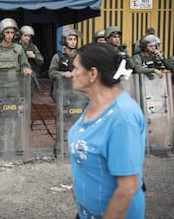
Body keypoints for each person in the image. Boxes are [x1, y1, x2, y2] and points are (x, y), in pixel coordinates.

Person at [68, 42, 146, 218]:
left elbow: (127, 188)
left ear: (93, 74)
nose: (72, 74)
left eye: (76, 68)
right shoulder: (95, 104)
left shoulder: (122, 118)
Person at [0, 18, 32, 156]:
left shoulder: (18, 49)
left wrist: (25, 69)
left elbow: (24, 64)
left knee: (17, 117)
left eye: (12, 32)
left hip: (15, 88)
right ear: (2, 33)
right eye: (7, 32)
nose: (10, 35)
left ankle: (18, 145)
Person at [48, 28, 80, 101]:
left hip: (77, 91)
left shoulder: (80, 56)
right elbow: (51, 73)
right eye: (70, 39)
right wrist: (62, 74)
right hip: (62, 91)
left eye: (75, 39)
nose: (73, 42)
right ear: (64, 41)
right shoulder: (58, 56)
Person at [18, 25, 44, 90]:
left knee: (29, 94)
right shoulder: (15, 46)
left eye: (29, 36)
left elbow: (41, 61)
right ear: (20, 36)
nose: (27, 38)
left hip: (29, 75)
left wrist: (34, 56)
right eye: (25, 35)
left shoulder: (33, 47)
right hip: (17, 74)